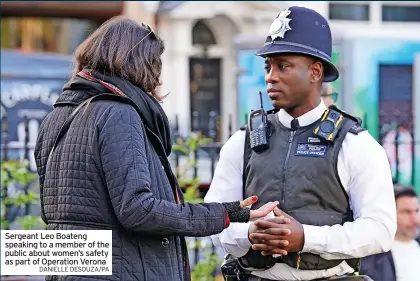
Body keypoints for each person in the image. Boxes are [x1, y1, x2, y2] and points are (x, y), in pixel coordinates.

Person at [34, 17, 279, 281]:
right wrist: (224, 213)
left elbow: (53, 215)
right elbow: (138, 210)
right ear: (137, 65)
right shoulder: (117, 113)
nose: (158, 80)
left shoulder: (57, 117)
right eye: (154, 66)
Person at [204, 6, 396, 281]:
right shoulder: (242, 141)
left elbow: (380, 230)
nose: (271, 76)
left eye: (283, 66)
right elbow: (214, 220)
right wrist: (249, 233)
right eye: (268, 66)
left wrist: (306, 237)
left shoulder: (356, 145)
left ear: (315, 72)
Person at [360, 186, 420, 281]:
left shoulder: (417, 246)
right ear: (390, 214)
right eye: (406, 212)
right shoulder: (373, 255)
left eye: (416, 211)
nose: (415, 220)